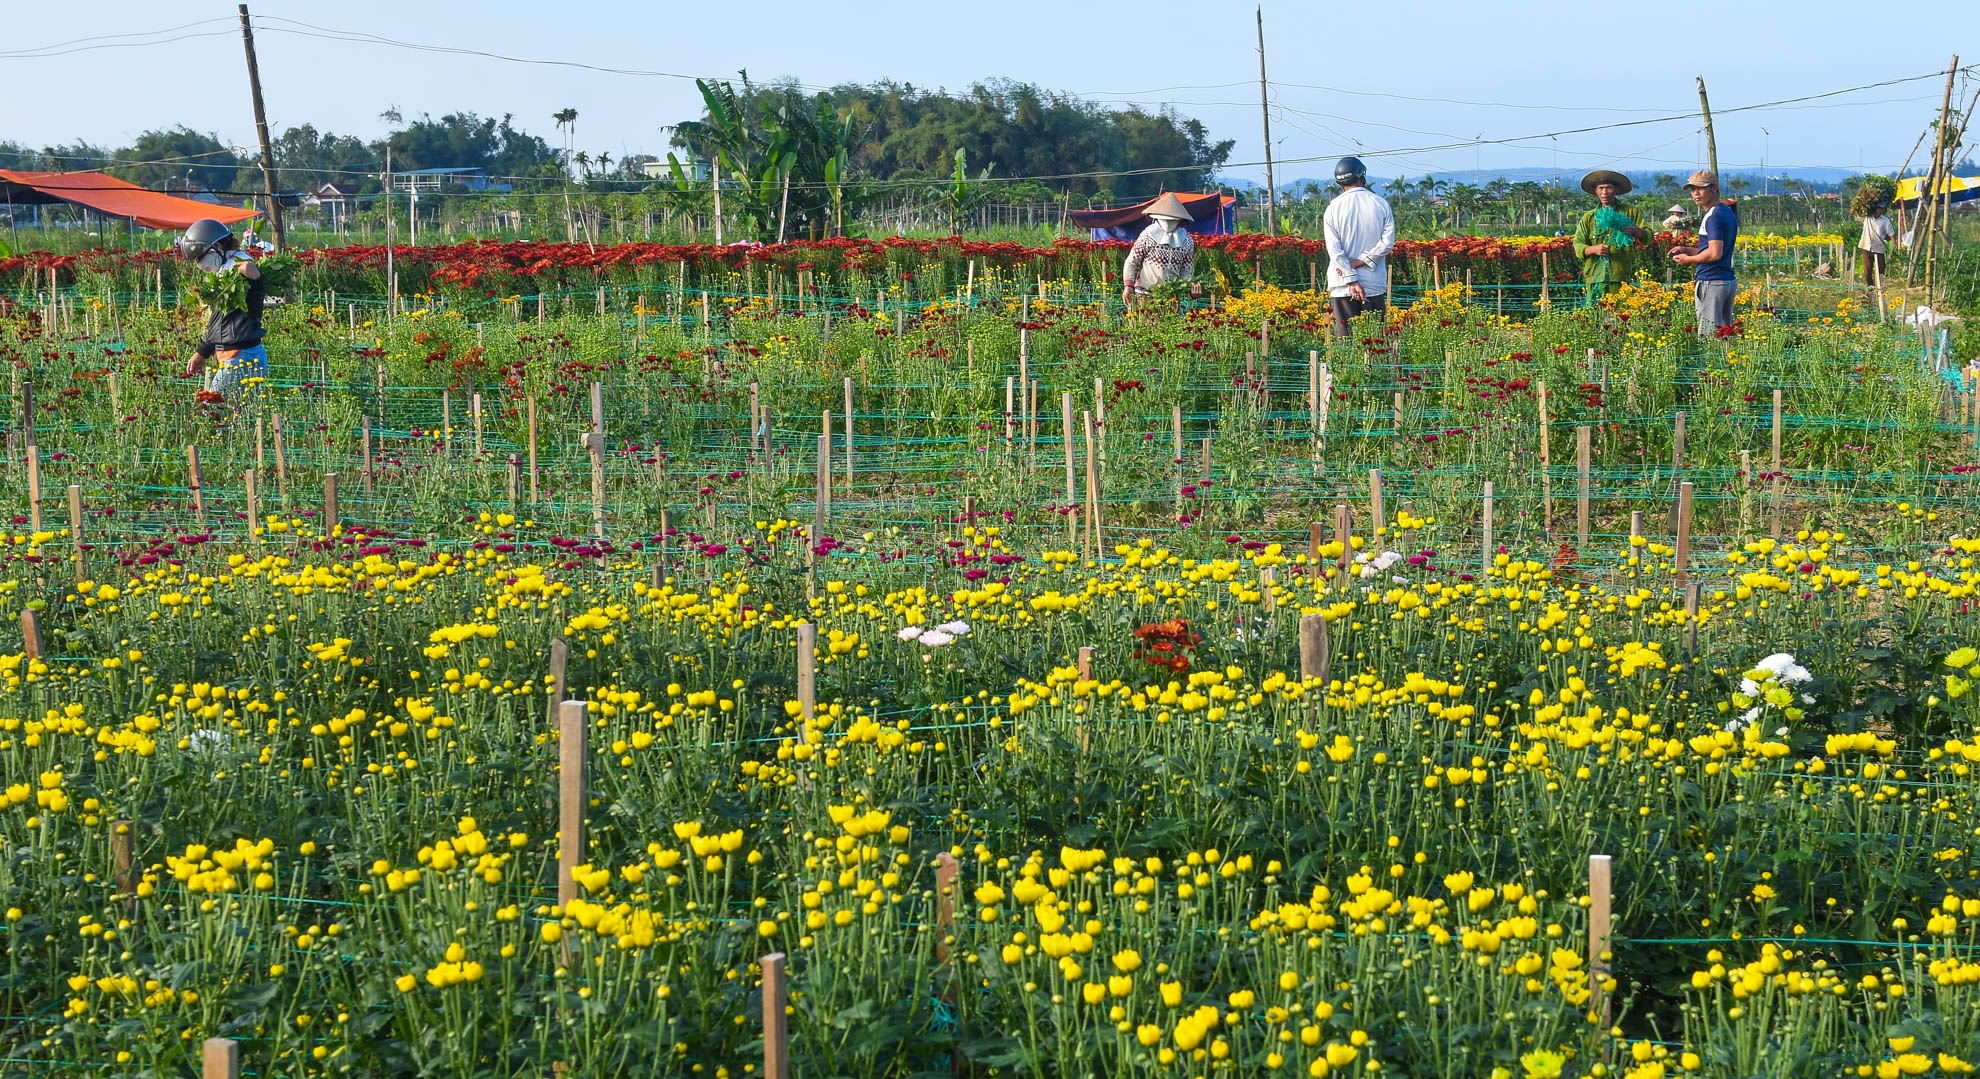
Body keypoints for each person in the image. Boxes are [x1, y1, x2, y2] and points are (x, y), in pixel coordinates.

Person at [179, 218, 267, 403]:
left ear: (218, 246)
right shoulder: (225, 272)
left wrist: (256, 280)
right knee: (237, 419)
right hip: (236, 356)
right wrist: (203, 351)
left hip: (242, 356)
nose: (199, 264)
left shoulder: (242, 268)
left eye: (201, 257)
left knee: (210, 410)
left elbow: (254, 306)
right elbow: (221, 320)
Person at [1322, 156, 1394, 337]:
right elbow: (1386, 244)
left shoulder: (1333, 208)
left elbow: (1335, 251)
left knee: (1345, 341)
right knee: (1376, 340)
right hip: (1372, 283)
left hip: (1341, 284)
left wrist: (1351, 278)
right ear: (1362, 176)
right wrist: (1360, 262)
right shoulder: (1380, 204)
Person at [1667, 170, 1739, 336]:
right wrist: (1686, 250)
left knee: (1708, 336)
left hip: (1711, 281)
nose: (1695, 193)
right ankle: (1727, 362)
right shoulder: (1725, 211)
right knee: (1724, 335)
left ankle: (1711, 362)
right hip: (1726, 280)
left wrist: (1689, 259)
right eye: (1692, 190)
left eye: (1700, 188)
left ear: (1713, 188)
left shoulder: (1714, 215)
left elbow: (1714, 254)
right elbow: (1713, 248)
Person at [1571, 169, 1651, 305]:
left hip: (1620, 276)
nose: (1604, 192)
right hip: (1594, 277)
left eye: (1608, 188)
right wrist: (1593, 249)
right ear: (1595, 191)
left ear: (1616, 189)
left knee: (1620, 317)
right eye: (1601, 188)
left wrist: (1636, 231)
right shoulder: (1589, 217)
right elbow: (1578, 244)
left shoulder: (1631, 212)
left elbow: (1648, 236)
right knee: (1595, 317)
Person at [1120, 193, 1201, 307]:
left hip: (1172, 296)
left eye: (1172, 220)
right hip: (1145, 293)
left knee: (1169, 324)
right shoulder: (1148, 236)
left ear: (1180, 220)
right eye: (1165, 219)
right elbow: (1132, 261)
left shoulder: (1186, 241)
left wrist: (1190, 289)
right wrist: (1128, 285)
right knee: (1146, 323)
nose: (1168, 223)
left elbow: (1186, 270)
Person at [1857, 202, 1895, 288]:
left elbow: (1891, 233)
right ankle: (1870, 286)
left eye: (1881, 209)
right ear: (1874, 209)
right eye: (1878, 208)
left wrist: (1894, 244)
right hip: (1866, 245)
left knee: (1880, 269)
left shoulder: (1885, 221)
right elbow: (1857, 213)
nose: (1879, 210)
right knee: (1867, 270)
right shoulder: (1867, 218)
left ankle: (1879, 286)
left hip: (1879, 247)